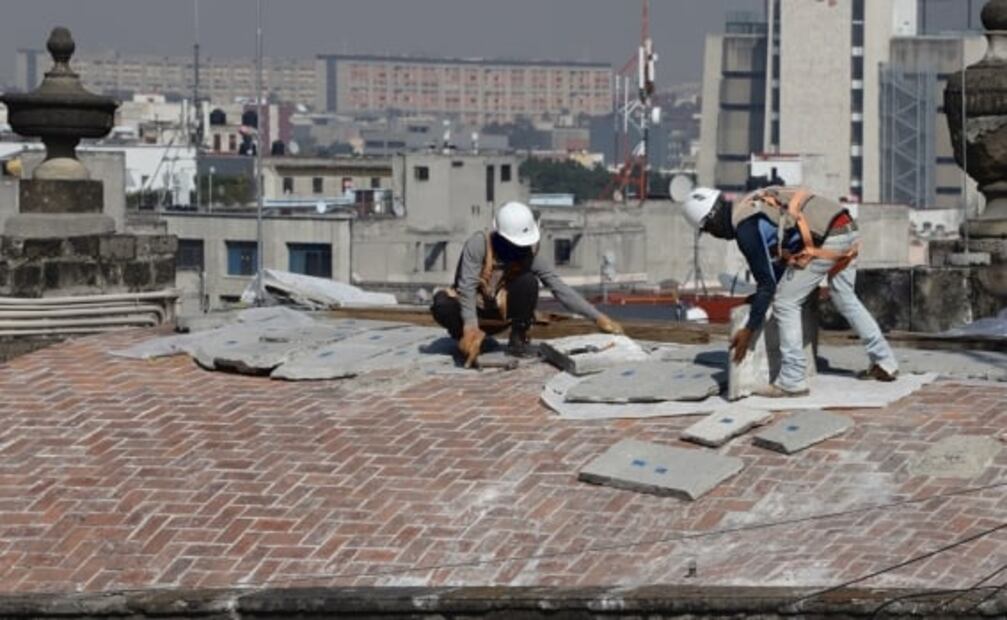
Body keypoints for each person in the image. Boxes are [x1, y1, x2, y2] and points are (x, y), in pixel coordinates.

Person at [681, 186, 899, 397]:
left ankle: (792, 381)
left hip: (830, 236)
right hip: (846, 226)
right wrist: (759, 297)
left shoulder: (745, 228)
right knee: (844, 297)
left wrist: (748, 329)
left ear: (713, 217)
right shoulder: (750, 204)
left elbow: (769, 286)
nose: (713, 235)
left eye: (708, 229)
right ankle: (885, 362)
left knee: (785, 302)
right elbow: (775, 268)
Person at [431, 201, 624, 368]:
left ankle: (518, 340)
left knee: (528, 282)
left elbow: (559, 288)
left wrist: (597, 317)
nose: (520, 248)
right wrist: (471, 328)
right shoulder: (479, 244)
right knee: (441, 304)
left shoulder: (527, 256)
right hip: (469, 316)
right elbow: (466, 288)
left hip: (499, 317)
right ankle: (468, 342)